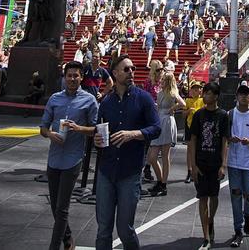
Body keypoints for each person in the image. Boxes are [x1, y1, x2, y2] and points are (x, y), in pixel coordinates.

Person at [94, 54, 161, 249]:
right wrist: (98, 140)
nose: (131, 72)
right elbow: (100, 129)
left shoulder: (144, 98)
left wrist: (134, 134)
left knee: (125, 229)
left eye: (133, 69)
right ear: (115, 73)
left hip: (130, 172)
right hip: (106, 170)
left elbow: (156, 128)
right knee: (103, 230)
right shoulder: (106, 102)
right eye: (126, 69)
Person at [40, 60, 99, 250]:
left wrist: (78, 128)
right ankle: (68, 238)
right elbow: (42, 127)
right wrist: (50, 134)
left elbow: (96, 129)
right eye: (69, 75)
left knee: (62, 208)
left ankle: (54, 246)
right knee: (54, 205)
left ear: (82, 77)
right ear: (64, 78)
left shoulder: (89, 100)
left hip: (73, 158)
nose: (72, 79)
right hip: (54, 157)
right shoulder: (54, 99)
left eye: (76, 75)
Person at [190, 81, 230, 250]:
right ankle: (206, 235)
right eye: (204, 93)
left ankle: (210, 220)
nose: (205, 96)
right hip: (201, 162)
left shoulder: (223, 116)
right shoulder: (199, 115)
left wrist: (223, 164)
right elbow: (192, 140)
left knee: (214, 197)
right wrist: (192, 166)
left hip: (215, 163)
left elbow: (224, 141)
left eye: (208, 93)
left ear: (215, 96)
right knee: (202, 197)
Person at [228, 83, 249, 247]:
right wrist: (231, 139)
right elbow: (225, 137)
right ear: (236, 97)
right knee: (235, 195)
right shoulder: (230, 114)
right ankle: (238, 229)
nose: (243, 97)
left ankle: (248, 216)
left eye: (246, 94)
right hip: (233, 162)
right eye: (240, 94)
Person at [147, 71, 186, 196]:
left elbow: (183, 104)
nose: (161, 81)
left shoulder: (172, 93)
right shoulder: (160, 93)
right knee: (152, 157)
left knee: (165, 155)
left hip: (167, 122)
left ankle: (163, 184)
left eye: (163, 80)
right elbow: (159, 107)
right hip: (160, 121)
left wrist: (172, 109)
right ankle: (160, 180)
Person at [142, 60, 163, 182]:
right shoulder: (148, 82)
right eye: (159, 70)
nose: (161, 72)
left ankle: (148, 167)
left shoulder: (162, 82)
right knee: (149, 143)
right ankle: (146, 167)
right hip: (150, 113)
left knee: (154, 144)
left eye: (162, 70)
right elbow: (145, 97)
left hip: (160, 113)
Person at [184, 80, 204, 183]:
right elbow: (183, 114)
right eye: (194, 89)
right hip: (189, 126)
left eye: (198, 89)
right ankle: (189, 170)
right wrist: (188, 111)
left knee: (198, 149)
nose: (196, 90)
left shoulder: (203, 101)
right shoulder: (187, 100)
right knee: (189, 149)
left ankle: (197, 169)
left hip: (199, 127)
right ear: (191, 91)